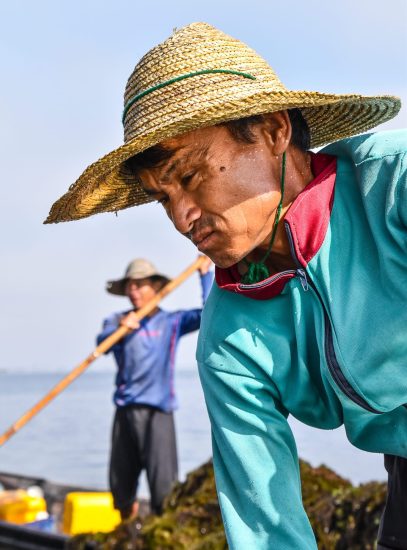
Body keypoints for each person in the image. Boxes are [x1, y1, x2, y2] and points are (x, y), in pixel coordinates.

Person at [46, 23, 407, 550]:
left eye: (190, 177)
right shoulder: (227, 339)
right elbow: (266, 530)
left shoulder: (392, 187)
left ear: (273, 130)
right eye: (162, 197)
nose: (181, 216)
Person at [96, 256, 213, 518]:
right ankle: (126, 532)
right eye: (130, 286)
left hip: (159, 413)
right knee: (121, 487)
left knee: (163, 488)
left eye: (140, 285)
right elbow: (101, 344)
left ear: (155, 287)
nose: (134, 291)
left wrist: (205, 276)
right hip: (126, 413)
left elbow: (210, 313)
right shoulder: (116, 322)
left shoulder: (171, 322)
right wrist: (121, 330)